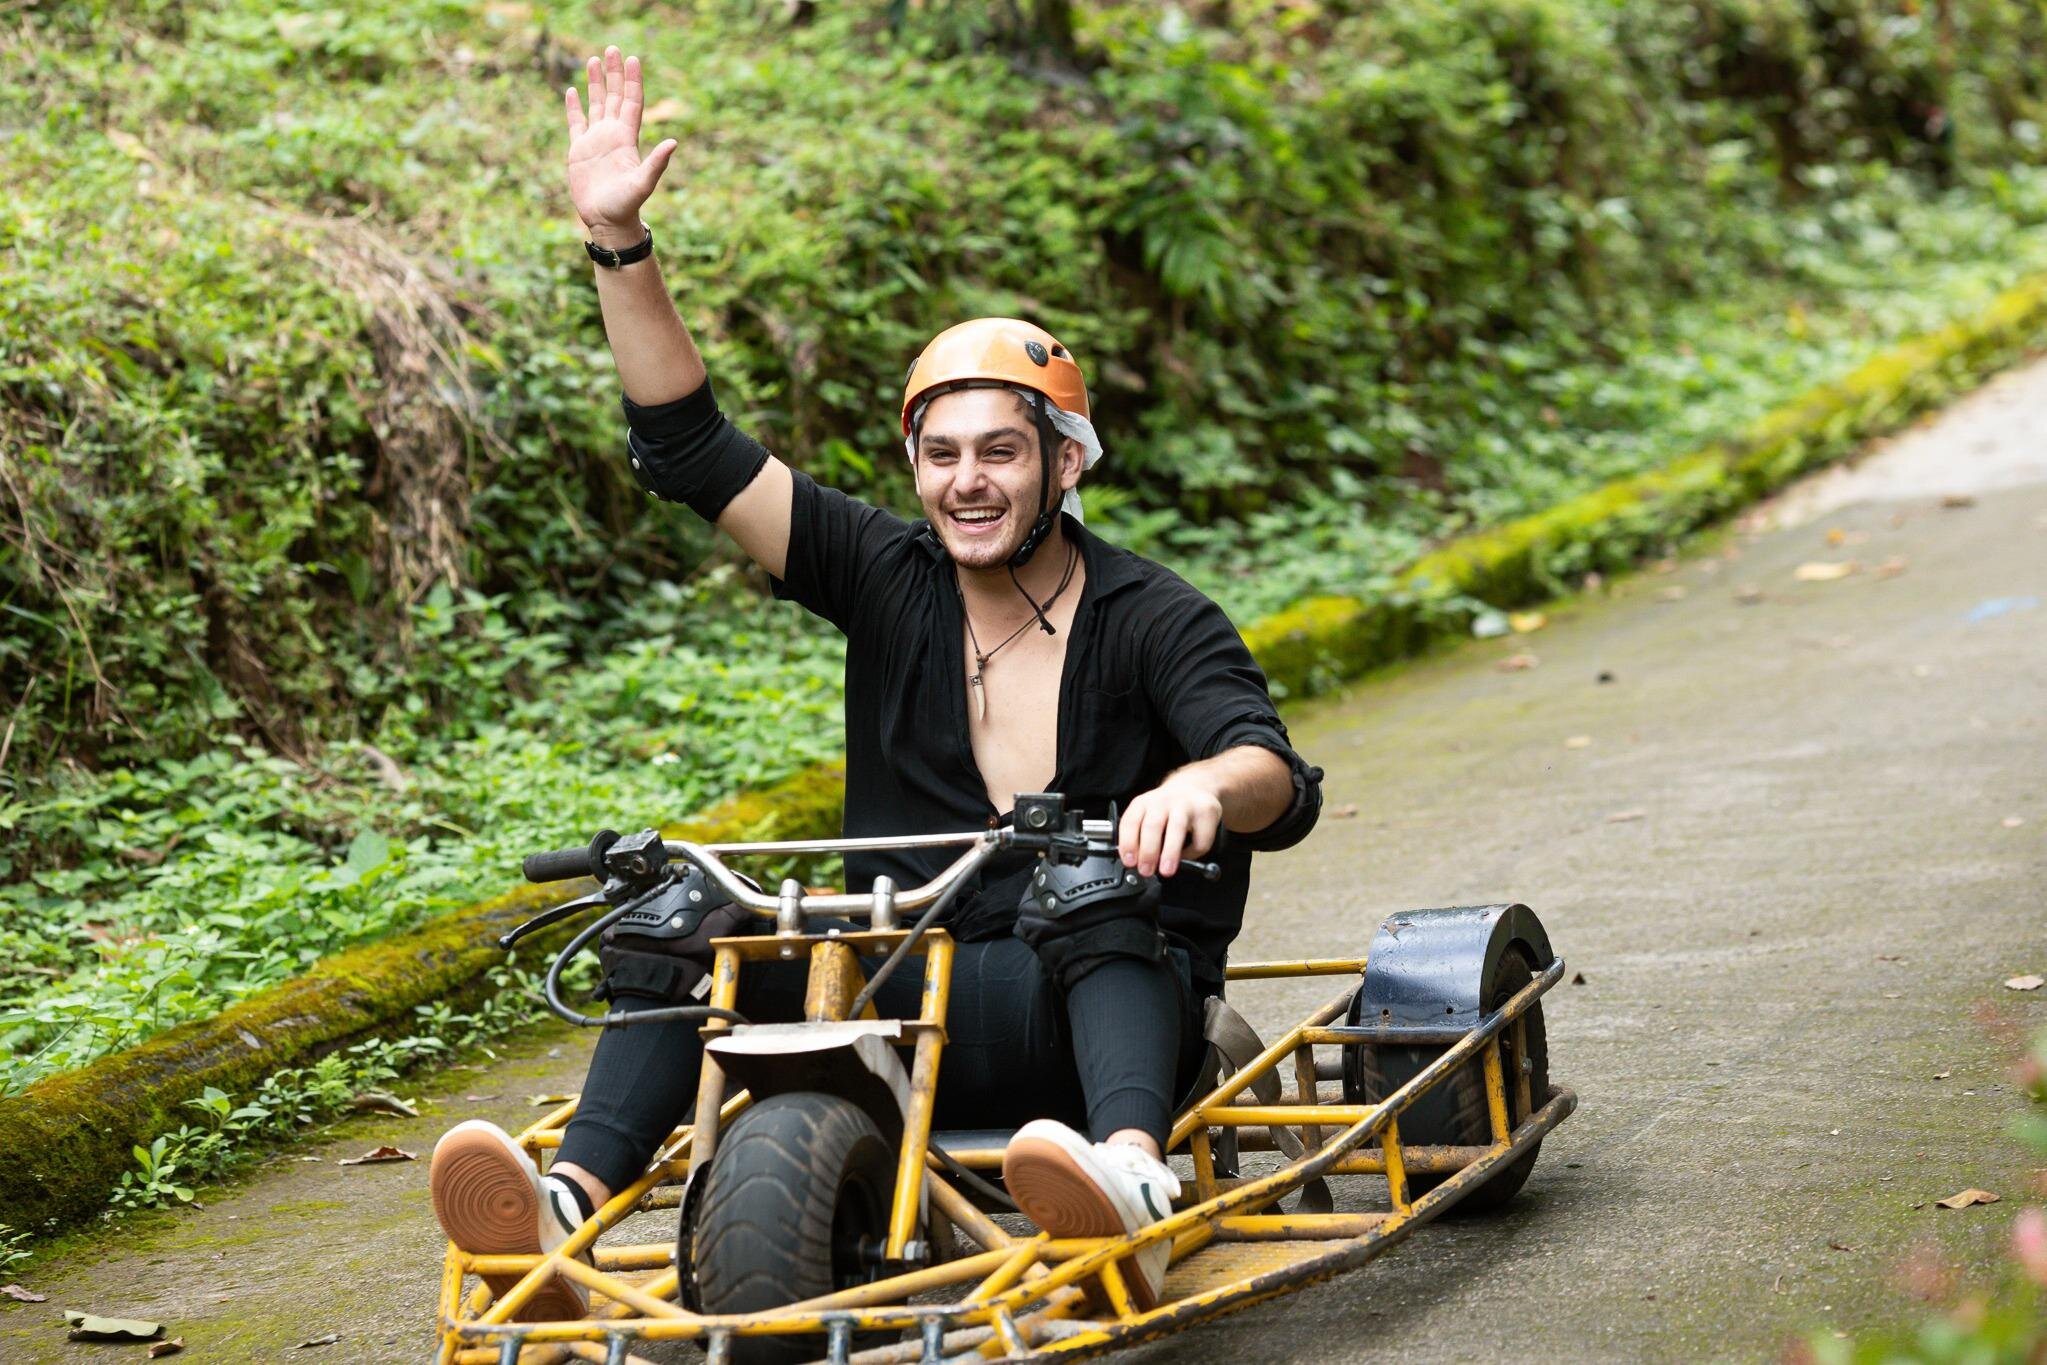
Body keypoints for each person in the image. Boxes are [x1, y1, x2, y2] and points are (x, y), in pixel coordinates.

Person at [427, 46, 1322, 1317]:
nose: (968, 481)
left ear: (1063, 464)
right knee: (682, 915)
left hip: (1088, 1018)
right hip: (893, 1002)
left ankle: (1132, 1180)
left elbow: (1270, 772)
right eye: (941, 454)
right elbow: (689, 448)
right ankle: (561, 1212)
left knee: (1089, 884)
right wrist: (618, 241)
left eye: (1001, 451)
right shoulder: (884, 574)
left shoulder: (1152, 615)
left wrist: (1200, 789)